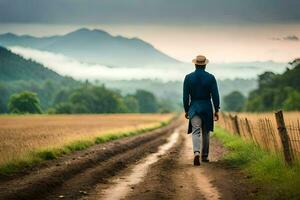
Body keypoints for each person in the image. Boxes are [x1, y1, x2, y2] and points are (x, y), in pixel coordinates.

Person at [183, 55, 220, 166]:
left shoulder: (188, 77)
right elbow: (215, 95)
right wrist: (216, 109)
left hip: (194, 107)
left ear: (195, 64)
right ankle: (204, 156)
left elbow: (185, 96)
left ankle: (196, 152)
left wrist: (187, 109)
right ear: (205, 65)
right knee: (206, 131)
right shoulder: (211, 77)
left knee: (196, 131)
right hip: (207, 107)